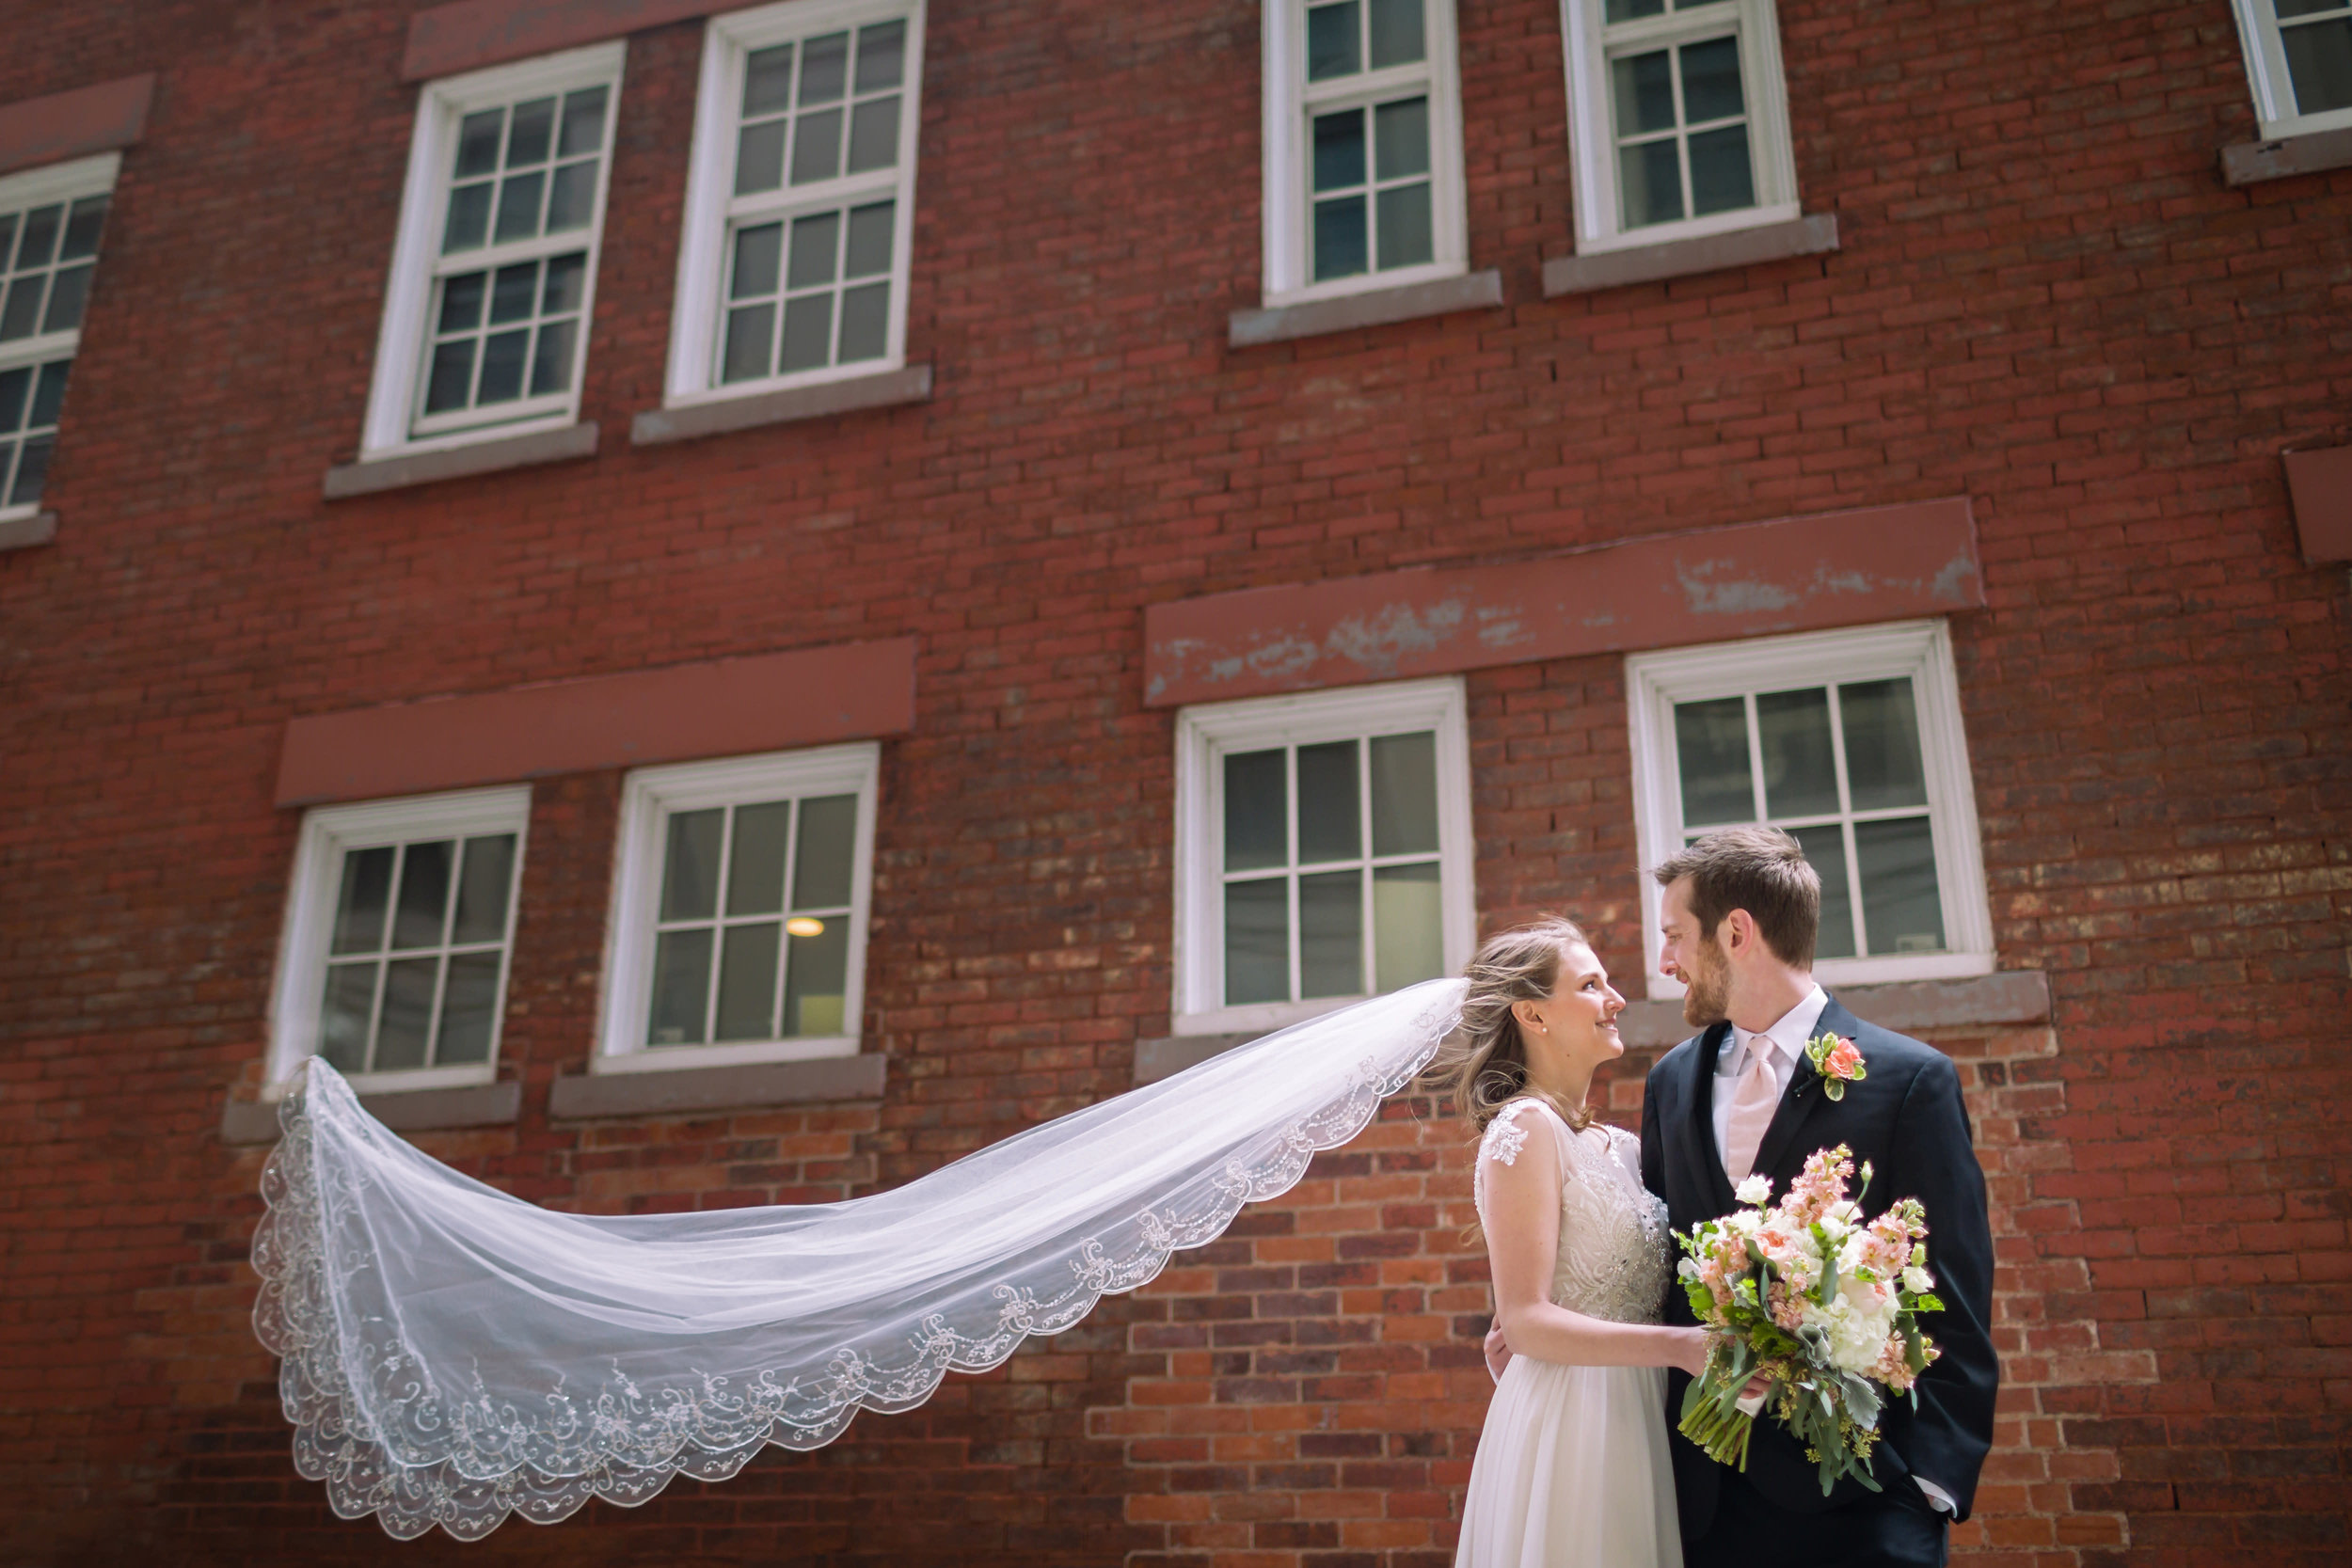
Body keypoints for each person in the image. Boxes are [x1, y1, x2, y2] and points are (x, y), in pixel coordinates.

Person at [1639, 826, 1999, 1568]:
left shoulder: (1908, 1081)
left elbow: (1953, 1302)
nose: (1665, 960)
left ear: (1737, 932)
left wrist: (1926, 1489)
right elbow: (1660, 1275)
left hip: (1861, 1508)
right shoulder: (1669, 1083)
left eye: (1675, 935)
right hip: (1701, 1510)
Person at [1440, 916, 1696, 1568]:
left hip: (1640, 1415)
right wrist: (1683, 1347)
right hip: (1571, 1422)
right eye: (1591, 984)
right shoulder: (1524, 1129)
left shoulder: (1627, 1150)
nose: (1616, 999)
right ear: (1534, 1013)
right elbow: (1525, 1321)